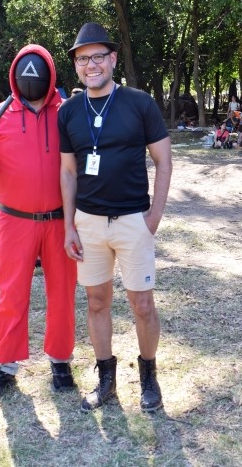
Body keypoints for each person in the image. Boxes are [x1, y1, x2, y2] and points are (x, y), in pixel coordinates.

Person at [58, 22, 173, 413]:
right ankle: (106, 379)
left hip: (132, 220)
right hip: (88, 223)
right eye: (83, 58)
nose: (91, 65)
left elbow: (163, 160)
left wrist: (153, 216)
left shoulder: (139, 103)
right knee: (96, 301)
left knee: (142, 304)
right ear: (76, 65)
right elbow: (69, 171)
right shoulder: (69, 111)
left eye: (98, 57)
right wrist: (68, 225)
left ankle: (149, 377)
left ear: (112, 59)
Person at [0, 44, 78, 400]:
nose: (32, 79)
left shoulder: (67, 114)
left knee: (63, 294)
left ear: (50, 74)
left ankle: (60, 361)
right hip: (15, 220)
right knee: (11, 293)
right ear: (14, 76)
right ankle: (5, 366)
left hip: (60, 220)